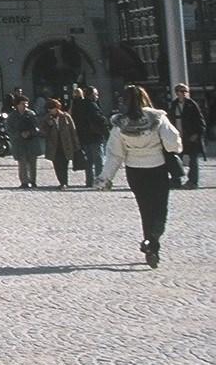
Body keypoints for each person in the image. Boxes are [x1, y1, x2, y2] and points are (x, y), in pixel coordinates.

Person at [100, 85, 183, 268]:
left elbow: (114, 154)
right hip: (157, 168)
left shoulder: (120, 124)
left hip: (135, 171)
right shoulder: (157, 118)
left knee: (145, 209)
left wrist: (106, 178)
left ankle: (148, 241)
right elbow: (172, 142)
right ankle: (153, 241)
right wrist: (173, 149)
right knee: (160, 209)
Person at [167, 84, 205, 190]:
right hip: (178, 137)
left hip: (191, 137)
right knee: (174, 158)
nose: (183, 93)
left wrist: (196, 134)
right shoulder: (174, 105)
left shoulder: (192, 104)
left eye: (185, 91)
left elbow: (200, 121)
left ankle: (193, 181)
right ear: (176, 92)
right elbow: (170, 120)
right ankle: (176, 179)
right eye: (181, 91)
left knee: (193, 160)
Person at [72, 86, 108, 187]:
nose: (97, 96)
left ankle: (89, 181)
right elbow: (99, 119)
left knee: (88, 161)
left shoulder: (78, 105)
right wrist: (106, 128)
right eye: (96, 94)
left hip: (83, 137)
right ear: (91, 95)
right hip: (95, 136)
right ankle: (99, 181)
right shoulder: (92, 105)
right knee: (98, 160)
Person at [41, 97, 79, 189]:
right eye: (49, 109)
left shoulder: (65, 116)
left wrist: (76, 144)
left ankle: (64, 182)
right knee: (57, 165)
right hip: (54, 145)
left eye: (52, 108)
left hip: (65, 144)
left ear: (57, 107)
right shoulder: (46, 118)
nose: (50, 110)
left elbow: (73, 131)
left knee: (64, 164)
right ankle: (61, 181)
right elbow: (42, 132)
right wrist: (49, 126)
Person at [7, 93, 43, 189]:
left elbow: (37, 127)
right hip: (19, 143)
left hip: (31, 142)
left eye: (26, 104)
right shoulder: (12, 116)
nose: (25, 105)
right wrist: (19, 134)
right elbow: (9, 129)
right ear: (17, 105)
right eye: (23, 103)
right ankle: (24, 182)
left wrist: (30, 132)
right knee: (22, 163)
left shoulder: (31, 114)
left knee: (32, 163)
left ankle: (33, 181)